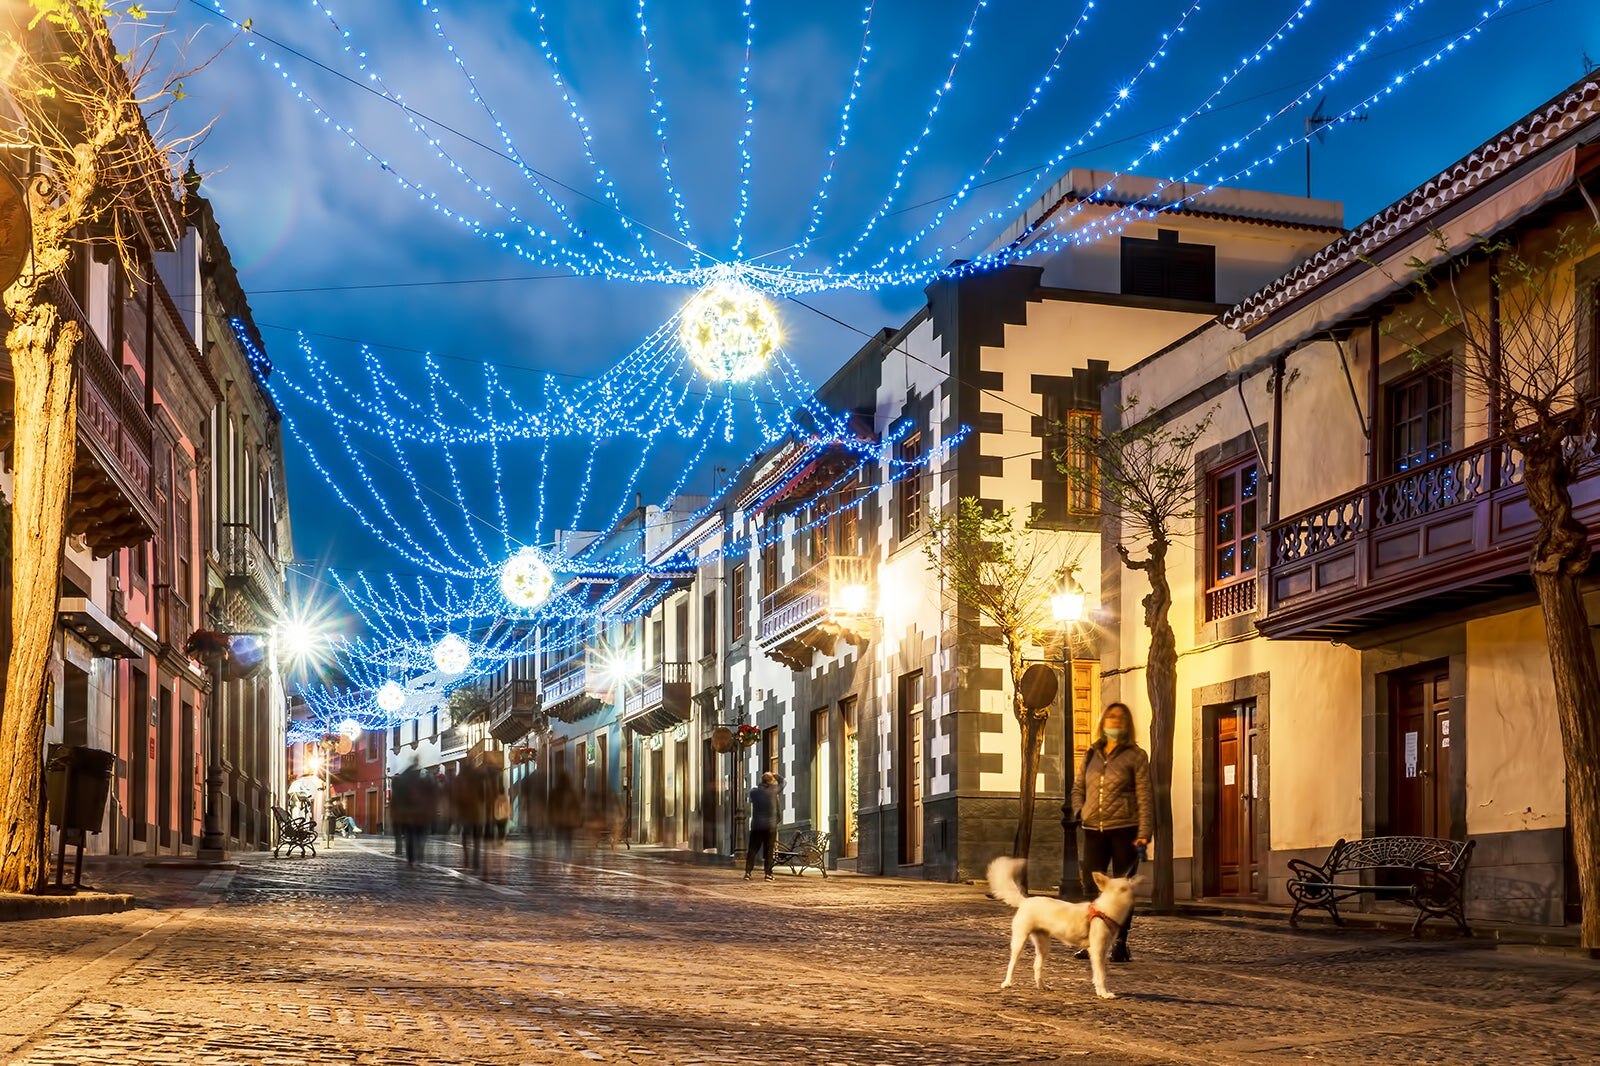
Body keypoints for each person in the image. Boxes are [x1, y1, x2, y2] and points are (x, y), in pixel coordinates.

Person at [1066, 702, 1153, 963]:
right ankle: (1092, 941)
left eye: (1120, 718)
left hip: (1125, 829)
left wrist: (1144, 832)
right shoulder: (1092, 754)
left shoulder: (1136, 755)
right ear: (1103, 722)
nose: (1115, 722)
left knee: (1122, 891)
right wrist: (1081, 812)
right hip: (1094, 829)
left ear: (1127, 725)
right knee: (1091, 887)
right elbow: (1078, 787)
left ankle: (1120, 943)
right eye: (1111, 717)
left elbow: (1144, 796)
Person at [744, 771, 782, 882]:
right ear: (771, 781)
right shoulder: (773, 790)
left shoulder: (754, 792)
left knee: (752, 850)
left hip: (756, 826)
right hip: (770, 827)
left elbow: (750, 796)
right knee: (769, 851)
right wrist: (775, 775)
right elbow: (783, 782)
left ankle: (748, 873)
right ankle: (768, 874)